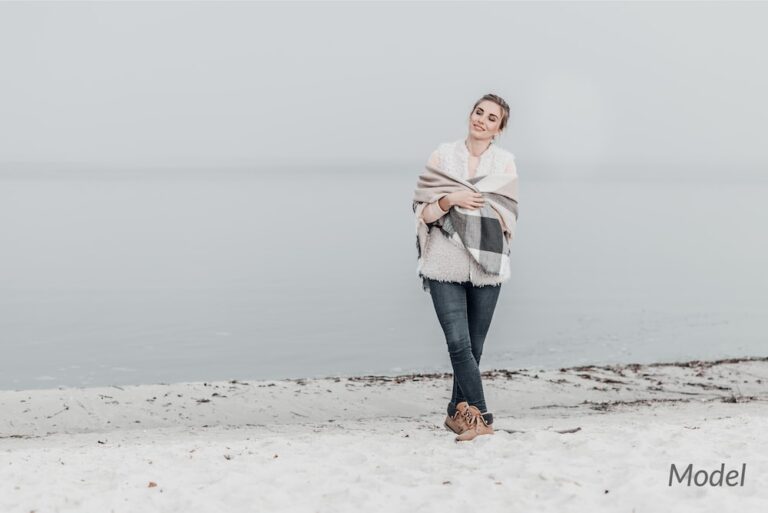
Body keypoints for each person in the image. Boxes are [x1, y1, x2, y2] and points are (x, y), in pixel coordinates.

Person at [412, 93, 519, 442]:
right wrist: (450, 199)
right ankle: (482, 416)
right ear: (470, 115)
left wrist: (475, 209)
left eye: (491, 118)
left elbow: (506, 214)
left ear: (499, 129)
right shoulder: (442, 157)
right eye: (479, 112)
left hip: (487, 268)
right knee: (458, 345)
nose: (482, 120)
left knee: (474, 348)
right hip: (444, 265)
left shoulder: (505, 163)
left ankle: (456, 414)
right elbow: (424, 213)